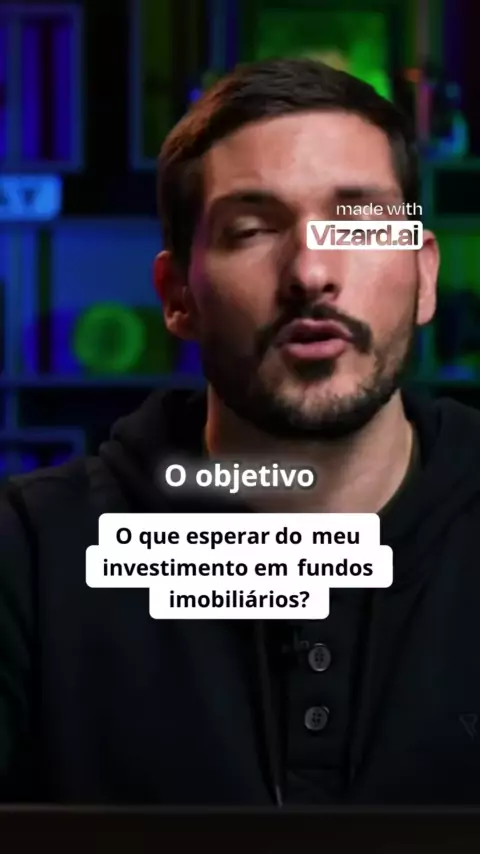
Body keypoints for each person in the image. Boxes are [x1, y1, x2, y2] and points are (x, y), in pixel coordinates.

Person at [0, 56, 479, 808]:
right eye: (252, 230)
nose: (311, 273)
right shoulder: (29, 556)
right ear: (178, 296)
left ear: (423, 277)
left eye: (359, 222)